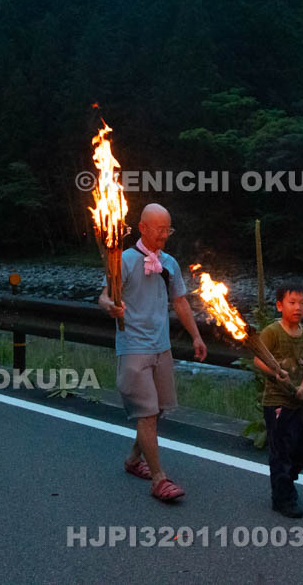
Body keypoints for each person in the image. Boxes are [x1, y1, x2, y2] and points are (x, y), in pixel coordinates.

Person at [98, 203, 207, 502]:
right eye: (159, 229)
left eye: (167, 229)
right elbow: (105, 295)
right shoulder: (124, 260)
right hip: (133, 347)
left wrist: (196, 336)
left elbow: (181, 302)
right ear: (142, 228)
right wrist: (109, 307)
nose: (164, 235)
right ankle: (159, 479)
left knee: (157, 410)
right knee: (146, 414)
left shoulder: (169, 263)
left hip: (162, 346)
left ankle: (134, 460)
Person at [253, 283, 303, 519]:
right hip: (277, 401)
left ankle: (286, 479)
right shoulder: (272, 332)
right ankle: (283, 498)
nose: (298, 308)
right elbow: (258, 359)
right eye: (292, 303)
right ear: (280, 305)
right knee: (281, 452)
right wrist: (275, 372)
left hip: (301, 402)